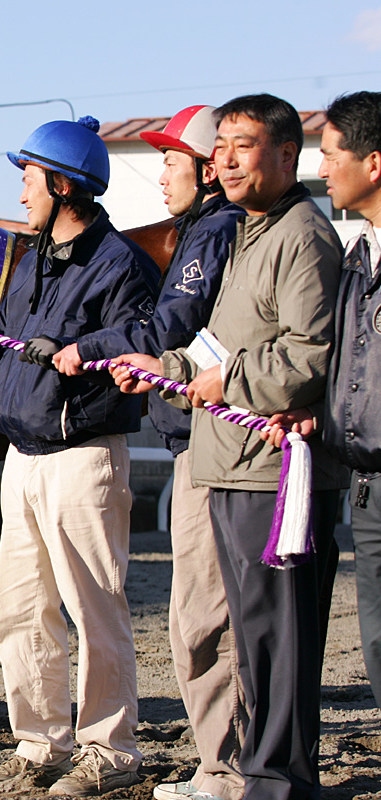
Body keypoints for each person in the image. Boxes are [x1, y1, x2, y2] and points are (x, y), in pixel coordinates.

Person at [0, 116, 159, 796]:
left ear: (63, 185)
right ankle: (39, 745)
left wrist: (91, 351)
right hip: (24, 457)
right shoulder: (33, 261)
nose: (21, 193)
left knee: (93, 610)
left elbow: (139, 337)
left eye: (27, 177)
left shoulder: (121, 264)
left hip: (84, 458)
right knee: (18, 611)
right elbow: (2, 347)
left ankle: (110, 752)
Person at [113, 94, 345, 800]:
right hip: (227, 462)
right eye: (222, 147)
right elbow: (223, 344)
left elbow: (308, 356)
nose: (227, 158)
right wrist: (168, 371)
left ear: (286, 155)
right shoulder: (246, 233)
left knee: (273, 642)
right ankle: (262, 776)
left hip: (271, 472)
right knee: (253, 638)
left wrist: (222, 379)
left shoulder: (302, 236)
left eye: (243, 145)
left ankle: (274, 781)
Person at [53, 106, 246, 800]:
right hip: (198, 440)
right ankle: (226, 763)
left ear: (205, 168)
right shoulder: (205, 230)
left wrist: (97, 347)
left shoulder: (211, 232)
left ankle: (227, 768)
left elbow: (169, 326)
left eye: (171, 160)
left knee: (201, 620)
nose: (162, 173)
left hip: (212, 445)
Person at [314, 91, 381, 712]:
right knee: (378, 639)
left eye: (332, 154)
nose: (322, 168)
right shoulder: (359, 257)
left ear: (374, 164)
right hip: (367, 481)